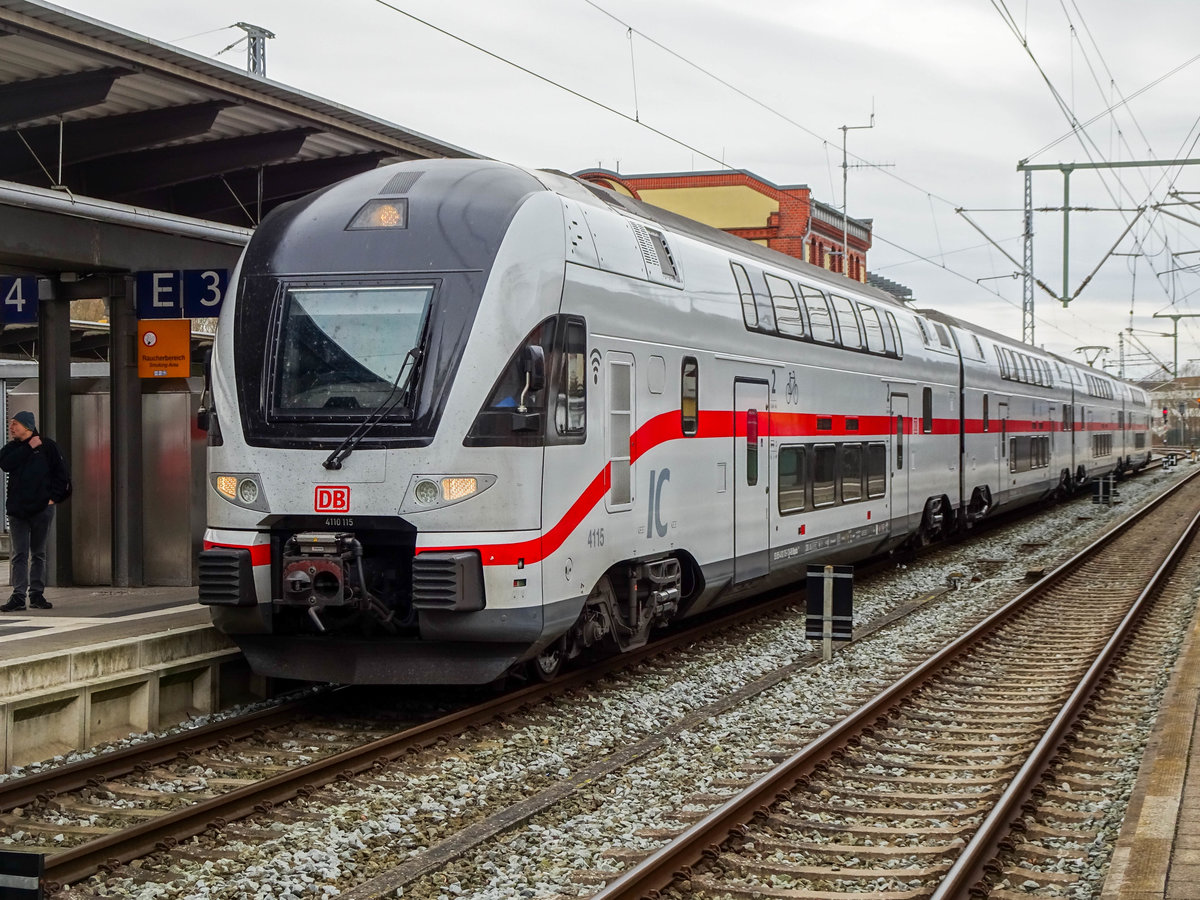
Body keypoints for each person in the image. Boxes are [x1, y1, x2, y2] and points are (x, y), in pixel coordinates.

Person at [0, 411, 70, 611]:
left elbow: (62, 475)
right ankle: (18, 596)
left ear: (27, 426)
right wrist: (29, 448)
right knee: (19, 554)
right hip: (17, 511)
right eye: (11, 424)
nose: (11, 427)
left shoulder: (48, 447)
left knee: (38, 553)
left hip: (41, 510)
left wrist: (53, 499)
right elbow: (5, 464)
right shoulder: (12, 448)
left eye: (15, 424)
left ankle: (37, 594)